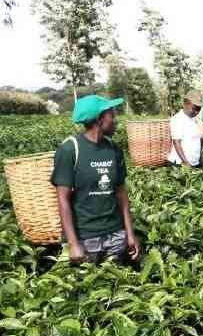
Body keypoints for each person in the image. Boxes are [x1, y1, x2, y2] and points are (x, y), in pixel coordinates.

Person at [50, 95, 141, 264]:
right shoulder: (69, 149)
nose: (116, 120)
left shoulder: (114, 149)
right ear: (100, 119)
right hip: (86, 237)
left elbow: (121, 194)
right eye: (112, 115)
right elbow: (63, 199)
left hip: (115, 234)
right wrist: (73, 244)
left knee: (119, 278)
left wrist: (130, 233)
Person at [168, 90, 203, 168]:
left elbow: (197, 140)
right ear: (186, 104)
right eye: (194, 108)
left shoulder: (195, 119)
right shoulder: (178, 119)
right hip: (180, 163)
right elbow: (176, 142)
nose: (196, 112)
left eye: (199, 109)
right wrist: (185, 162)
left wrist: (200, 157)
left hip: (193, 162)